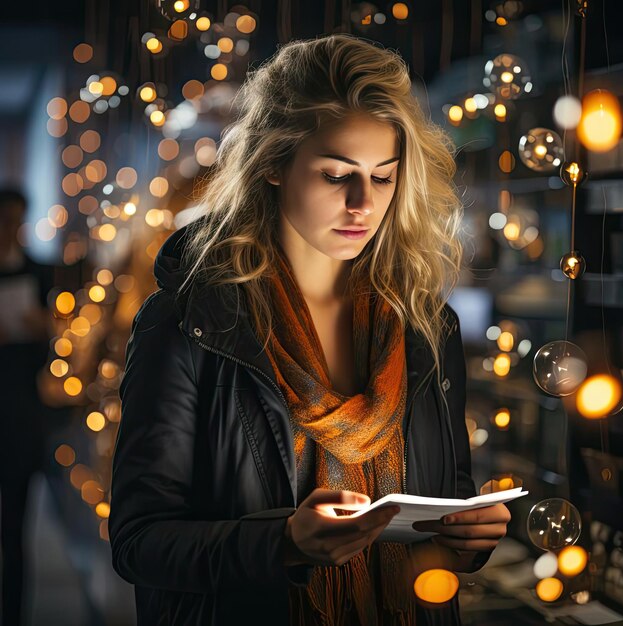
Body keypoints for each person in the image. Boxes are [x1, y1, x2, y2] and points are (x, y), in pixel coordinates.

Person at [109, 34, 511, 626]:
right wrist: (283, 544)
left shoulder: (426, 327)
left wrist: (464, 540)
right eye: (334, 174)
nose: (362, 204)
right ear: (272, 163)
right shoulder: (190, 324)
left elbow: (444, 504)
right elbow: (139, 542)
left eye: (383, 177)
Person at [0, 188, 54, 626]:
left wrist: (43, 331)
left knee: (14, 531)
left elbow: (49, 357)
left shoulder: (38, 271)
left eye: (15, 220)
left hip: (18, 415)